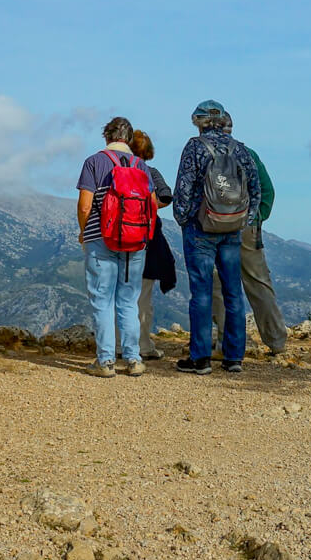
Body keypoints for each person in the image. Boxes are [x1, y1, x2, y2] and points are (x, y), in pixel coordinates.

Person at [172, 99, 261, 374]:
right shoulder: (241, 150)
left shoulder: (195, 148)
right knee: (233, 292)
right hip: (232, 229)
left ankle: (200, 358)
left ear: (198, 121)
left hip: (201, 229)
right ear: (222, 121)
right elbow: (255, 190)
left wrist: (184, 219)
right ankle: (234, 357)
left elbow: (184, 188)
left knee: (201, 292)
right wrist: (241, 220)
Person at [76, 117, 155, 378]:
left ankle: (106, 361)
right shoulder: (141, 166)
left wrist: (84, 231)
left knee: (102, 300)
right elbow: (152, 205)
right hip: (135, 242)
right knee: (129, 301)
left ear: (106, 136)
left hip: (102, 239)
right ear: (129, 139)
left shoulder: (94, 162)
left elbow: (85, 205)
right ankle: (134, 360)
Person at [210, 118, 288, 357]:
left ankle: (227, 343)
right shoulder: (248, 153)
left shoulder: (205, 153)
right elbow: (268, 191)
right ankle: (276, 342)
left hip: (214, 226)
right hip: (246, 227)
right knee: (258, 283)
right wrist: (256, 218)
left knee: (218, 286)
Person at [129, 129, 178, 360]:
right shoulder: (151, 172)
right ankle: (143, 345)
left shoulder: (112, 170)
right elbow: (167, 196)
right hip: (145, 239)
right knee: (143, 297)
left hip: (115, 239)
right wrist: (149, 208)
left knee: (118, 295)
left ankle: (117, 345)